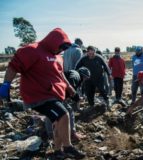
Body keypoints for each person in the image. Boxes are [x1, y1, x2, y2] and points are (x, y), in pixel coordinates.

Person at [0, 28, 85, 159]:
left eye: (63, 49)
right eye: (59, 48)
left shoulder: (58, 57)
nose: (60, 51)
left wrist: (69, 88)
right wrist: (6, 85)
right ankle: (68, 147)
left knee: (58, 121)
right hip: (37, 96)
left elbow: (60, 74)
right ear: (53, 42)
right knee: (64, 115)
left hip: (53, 94)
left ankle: (58, 150)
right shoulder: (32, 50)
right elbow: (13, 66)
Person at [46, 67, 91, 142]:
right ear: (84, 76)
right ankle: (72, 134)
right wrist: (77, 98)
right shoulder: (76, 75)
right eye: (86, 78)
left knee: (50, 113)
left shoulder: (72, 73)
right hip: (56, 94)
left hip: (50, 92)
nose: (85, 80)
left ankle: (51, 135)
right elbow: (70, 87)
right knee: (69, 111)